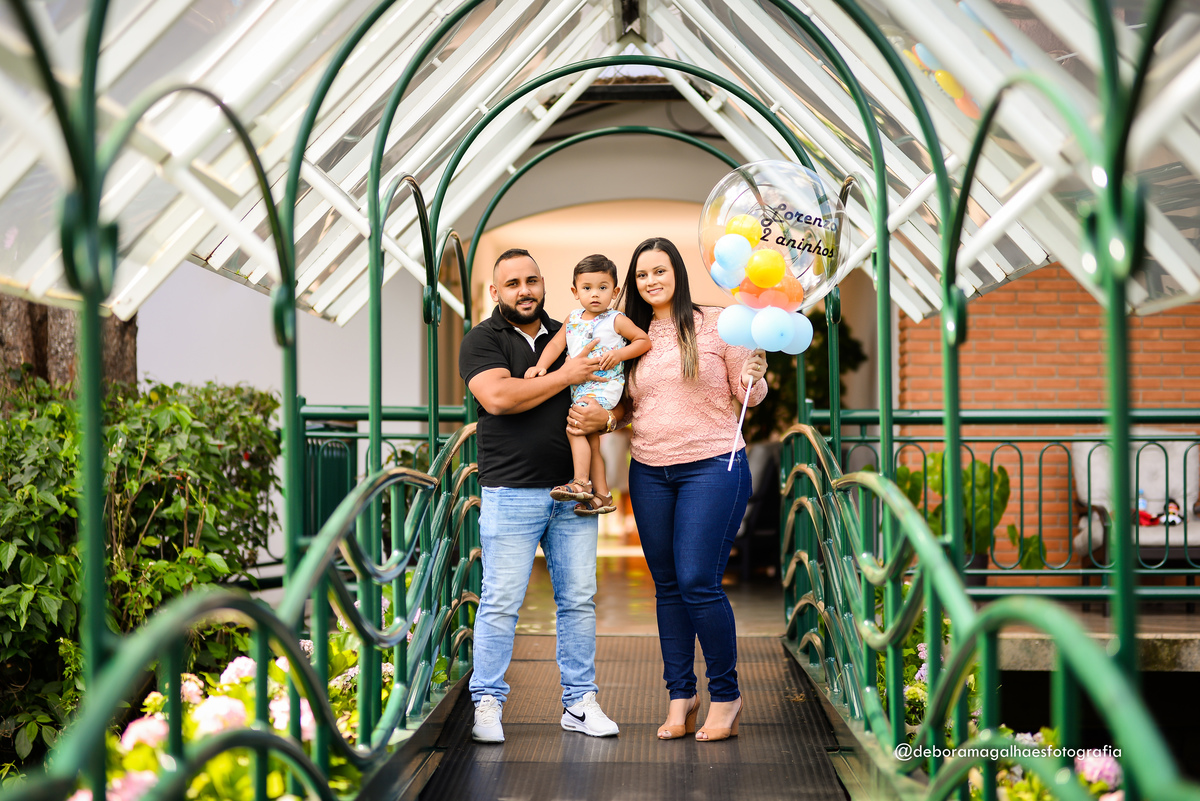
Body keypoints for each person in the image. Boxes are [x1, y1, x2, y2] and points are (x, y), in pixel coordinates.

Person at [458, 248, 622, 744]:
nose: (525, 290)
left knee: (578, 601)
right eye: (513, 283)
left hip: (573, 495)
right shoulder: (481, 339)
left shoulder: (574, 329)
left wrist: (609, 420)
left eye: (532, 280)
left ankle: (579, 702)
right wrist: (566, 376)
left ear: (545, 284)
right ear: (495, 292)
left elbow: (617, 388)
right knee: (501, 601)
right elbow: (499, 398)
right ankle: (486, 700)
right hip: (510, 492)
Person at [620, 237, 768, 742]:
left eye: (660, 270)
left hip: (713, 464)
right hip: (649, 469)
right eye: (642, 274)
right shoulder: (629, 336)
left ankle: (726, 696)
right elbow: (624, 407)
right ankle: (680, 695)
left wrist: (755, 373)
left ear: (677, 273)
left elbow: (748, 394)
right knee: (667, 587)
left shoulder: (717, 322)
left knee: (697, 580)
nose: (652, 280)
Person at [526, 254, 651, 515]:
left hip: (605, 385)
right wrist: (541, 366)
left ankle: (581, 481)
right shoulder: (572, 319)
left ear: (615, 291)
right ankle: (603, 495)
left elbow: (642, 341)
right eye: (587, 288)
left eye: (603, 288)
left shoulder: (616, 319)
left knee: (575, 428)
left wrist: (619, 354)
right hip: (582, 388)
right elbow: (555, 344)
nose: (595, 294)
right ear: (575, 291)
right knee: (591, 441)